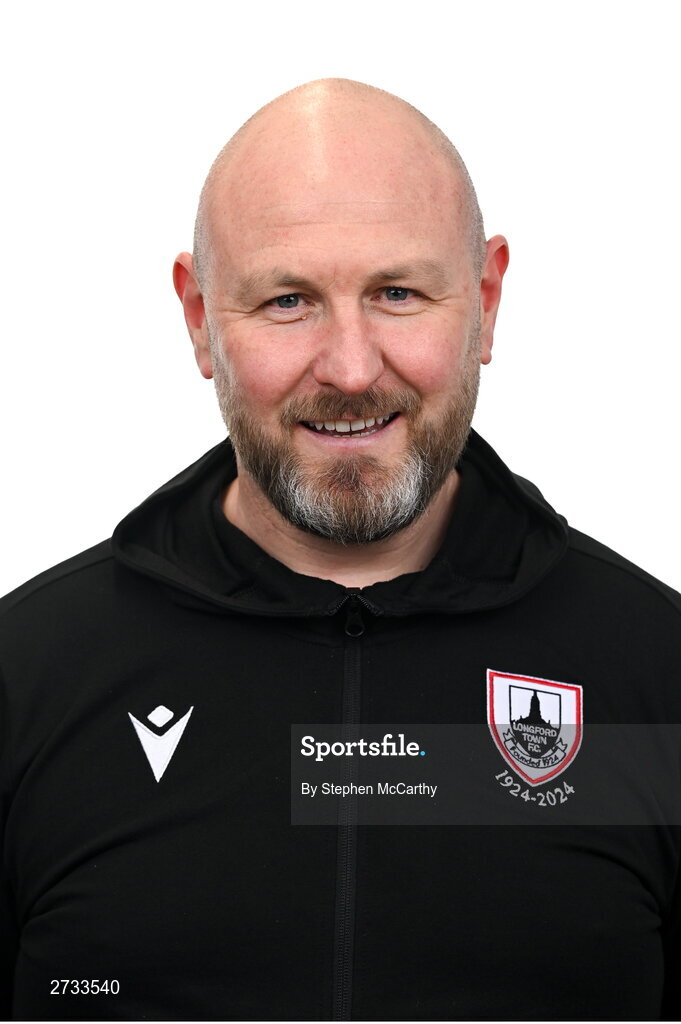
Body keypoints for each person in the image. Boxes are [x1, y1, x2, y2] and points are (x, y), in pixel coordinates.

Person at [1, 77, 680, 1022]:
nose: (352, 370)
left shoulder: (655, 674)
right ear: (200, 319)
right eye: (287, 301)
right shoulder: (26, 677)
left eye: (398, 292)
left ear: (485, 300)